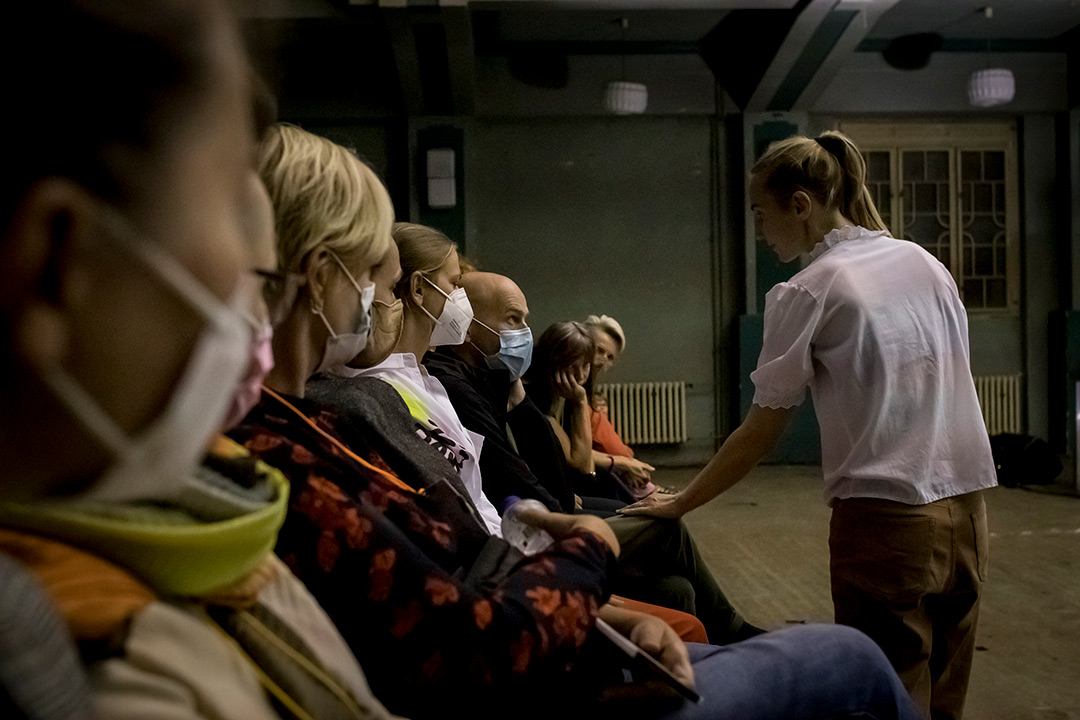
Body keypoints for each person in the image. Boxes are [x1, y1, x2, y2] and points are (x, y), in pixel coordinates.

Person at [0, 3, 397, 719]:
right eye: (226, 194)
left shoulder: (207, 513)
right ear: (59, 260)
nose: (256, 285)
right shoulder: (70, 652)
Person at [621, 130, 996, 720]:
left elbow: (760, 431)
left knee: (886, 694)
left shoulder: (810, 288)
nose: (761, 232)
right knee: (946, 692)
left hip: (885, 521)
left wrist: (682, 501)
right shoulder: (924, 262)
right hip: (968, 513)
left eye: (762, 215)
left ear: (801, 204)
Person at [581, 314, 661, 499]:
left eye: (609, 357)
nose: (602, 360)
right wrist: (621, 463)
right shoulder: (570, 394)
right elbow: (573, 454)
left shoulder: (588, 397)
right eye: (599, 350)